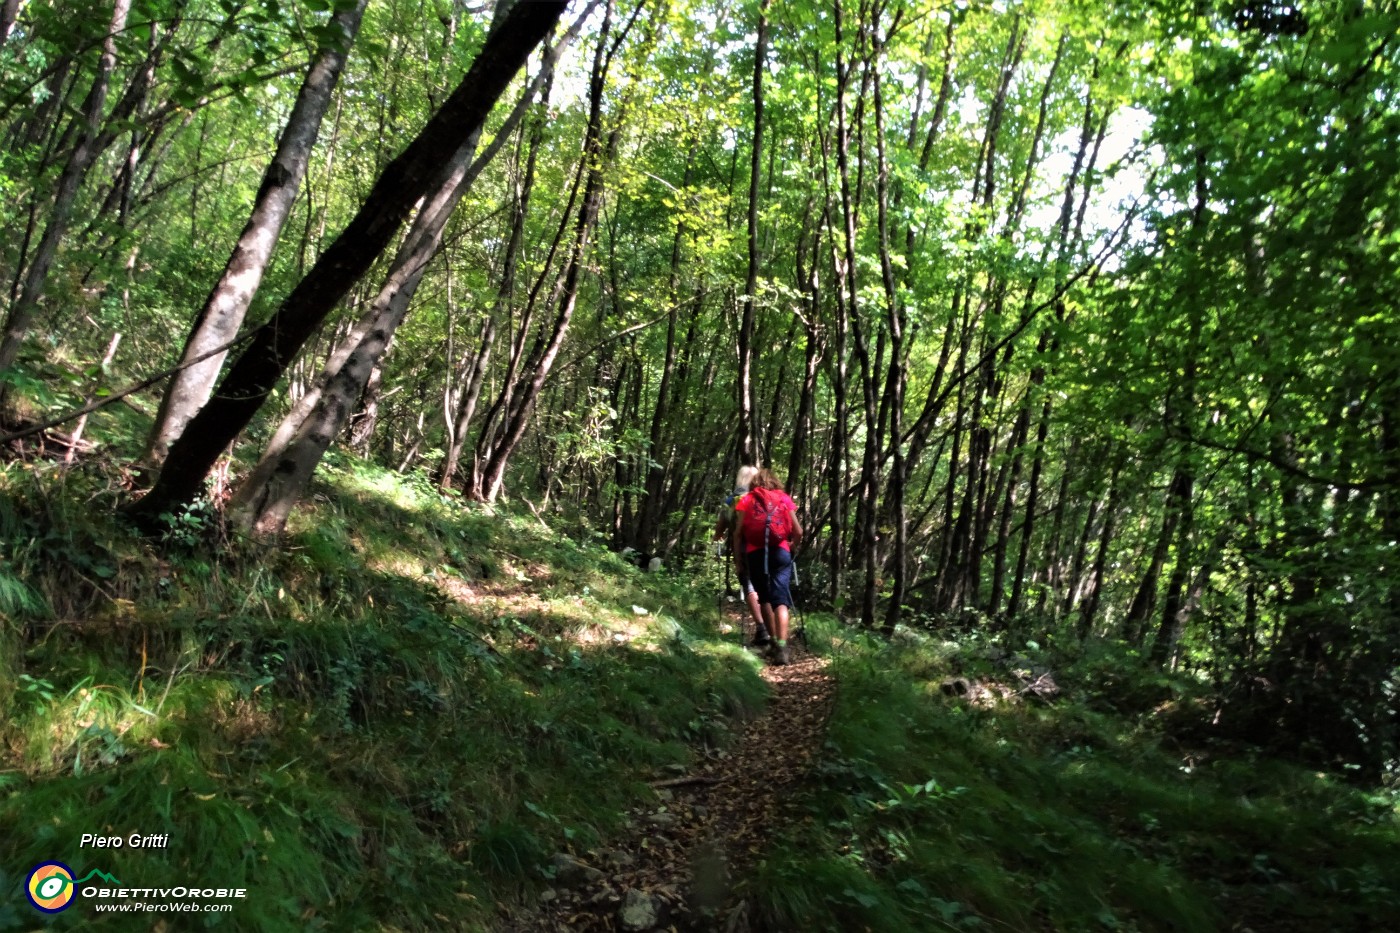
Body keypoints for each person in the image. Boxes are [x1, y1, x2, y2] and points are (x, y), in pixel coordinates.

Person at [732, 467, 802, 665]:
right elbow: (798, 530)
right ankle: (782, 645)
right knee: (781, 600)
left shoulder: (746, 499)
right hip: (780, 552)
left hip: (755, 553)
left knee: (764, 598)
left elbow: (738, 534)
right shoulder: (783, 498)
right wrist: (792, 545)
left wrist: (739, 561)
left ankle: (773, 643)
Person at [714, 466, 773, 646]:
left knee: (749, 585)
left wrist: (719, 535)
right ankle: (776, 632)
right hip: (769, 547)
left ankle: (762, 629)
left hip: (743, 548)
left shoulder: (732, 500)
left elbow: (720, 528)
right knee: (766, 587)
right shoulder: (765, 497)